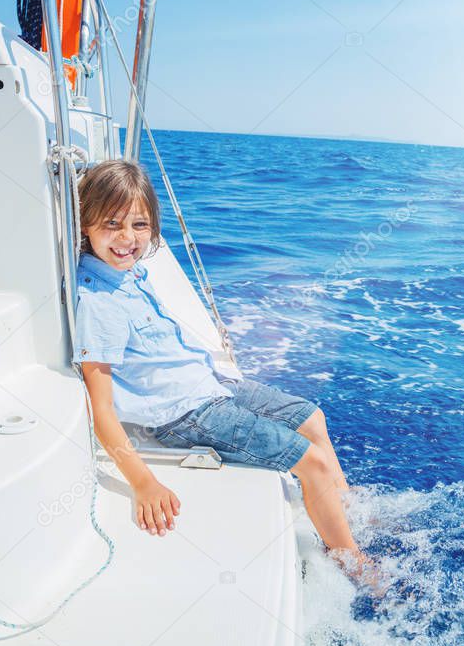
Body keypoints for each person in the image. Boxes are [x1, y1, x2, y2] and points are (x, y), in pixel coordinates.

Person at [74, 159, 380, 586]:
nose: (128, 239)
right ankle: (353, 563)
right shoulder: (98, 302)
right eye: (112, 224)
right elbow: (102, 409)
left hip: (211, 385)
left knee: (313, 417)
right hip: (185, 415)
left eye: (140, 225)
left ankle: (343, 515)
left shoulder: (129, 272)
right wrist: (143, 483)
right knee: (311, 462)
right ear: (85, 223)